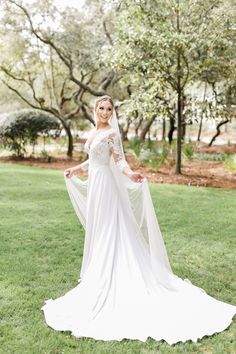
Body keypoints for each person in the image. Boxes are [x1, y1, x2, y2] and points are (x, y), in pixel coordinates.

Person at [41, 95, 236, 345]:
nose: (105, 111)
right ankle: (99, 272)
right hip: (96, 186)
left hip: (108, 188)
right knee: (100, 230)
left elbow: (119, 160)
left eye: (109, 108)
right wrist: (76, 170)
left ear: (112, 112)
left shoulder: (112, 133)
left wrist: (131, 174)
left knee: (112, 229)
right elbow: (93, 161)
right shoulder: (94, 131)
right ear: (95, 109)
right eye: (101, 107)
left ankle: (113, 274)